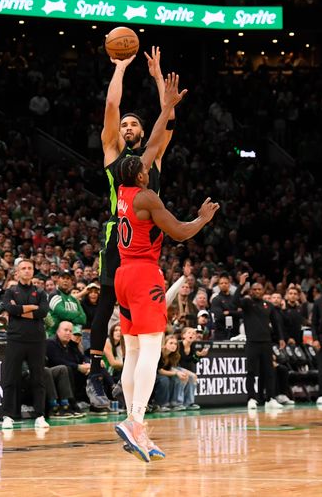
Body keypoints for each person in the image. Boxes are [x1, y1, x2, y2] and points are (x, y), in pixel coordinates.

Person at [113, 73, 218, 464]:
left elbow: (155, 139)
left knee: (134, 350)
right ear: (140, 174)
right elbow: (180, 232)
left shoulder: (123, 190)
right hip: (143, 274)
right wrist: (203, 219)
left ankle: (134, 425)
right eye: (144, 165)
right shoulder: (148, 197)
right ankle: (136, 422)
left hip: (122, 275)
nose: (147, 163)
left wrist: (167, 105)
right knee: (152, 350)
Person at [88, 46, 176, 409]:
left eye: (133, 123)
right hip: (119, 237)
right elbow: (111, 108)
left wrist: (158, 79)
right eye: (124, 124)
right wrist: (120, 69)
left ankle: (135, 389)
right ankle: (95, 373)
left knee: (139, 330)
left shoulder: (151, 158)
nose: (126, 127)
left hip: (148, 237)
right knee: (106, 300)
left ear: (141, 131)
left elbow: (166, 122)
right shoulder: (112, 154)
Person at [0, 259, 50, 430]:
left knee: (38, 378)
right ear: (17, 272)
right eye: (24, 268)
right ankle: (8, 415)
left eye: (30, 268)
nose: (27, 271)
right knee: (11, 378)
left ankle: (39, 415)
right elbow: (9, 309)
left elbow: (43, 312)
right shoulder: (10, 291)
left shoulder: (41, 292)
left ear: (33, 271)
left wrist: (20, 309)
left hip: (37, 340)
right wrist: (31, 308)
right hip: (15, 339)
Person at [242, 282, 285, 411]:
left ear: (263, 291)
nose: (257, 291)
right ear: (251, 291)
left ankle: (270, 399)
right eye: (254, 289)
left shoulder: (269, 306)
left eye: (259, 289)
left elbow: (276, 323)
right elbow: (234, 302)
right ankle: (251, 398)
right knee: (251, 371)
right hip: (252, 343)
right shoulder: (247, 304)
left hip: (266, 342)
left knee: (269, 371)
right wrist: (240, 286)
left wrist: (281, 338)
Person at [46, 269, 87, 338]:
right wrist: (77, 313)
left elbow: (83, 319)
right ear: (58, 280)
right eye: (63, 278)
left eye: (68, 278)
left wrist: (67, 316)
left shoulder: (73, 299)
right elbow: (62, 313)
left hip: (71, 336)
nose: (65, 280)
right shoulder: (54, 295)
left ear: (71, 282)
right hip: (54, 336)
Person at [177, 327, 207, 409]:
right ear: (183, 335)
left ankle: (189, 403)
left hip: (187, 370)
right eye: (189, 333)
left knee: (192, 378)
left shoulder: (193, 347)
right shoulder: (178, 345)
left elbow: (193, 361)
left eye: (194, 333)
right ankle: (178, 403)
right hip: (176, 368)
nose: (192, 335)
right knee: (189, 376)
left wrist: (199, 355)